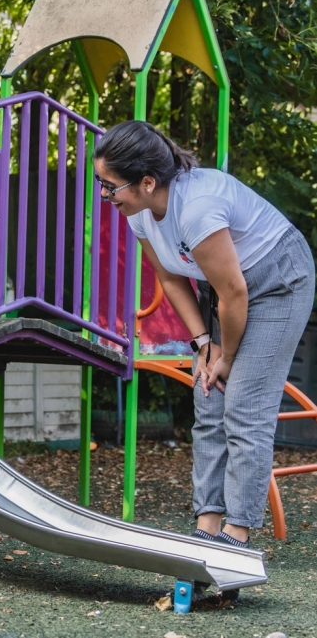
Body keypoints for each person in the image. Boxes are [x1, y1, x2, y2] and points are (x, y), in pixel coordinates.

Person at [93, 120, 315, 548]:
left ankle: (237, 537)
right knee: (208, 395)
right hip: (230, 289)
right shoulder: (140, 214)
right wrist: (201, 344)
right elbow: (172, 280)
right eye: (100, 184)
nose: (105, 196)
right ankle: (207, 527)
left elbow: (235, 292)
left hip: (278, 280)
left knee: (244, 404)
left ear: (147, 181)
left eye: (110, 186)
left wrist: (226, 356)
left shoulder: (196, 207)